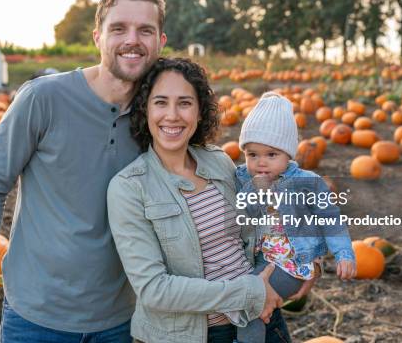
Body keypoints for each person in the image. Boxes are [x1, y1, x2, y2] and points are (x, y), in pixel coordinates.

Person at [0, 0, 167, 343]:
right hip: (36, 317)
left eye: (145, 30)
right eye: (119, 29)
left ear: (160, 40)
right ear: (98, 37)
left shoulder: (160, 117)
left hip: (120, 319)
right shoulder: (44, 98)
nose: (133, 40)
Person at [107, 58, 316, 343]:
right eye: (160, 102)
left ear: (200, 112)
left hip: (261, 318)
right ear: (145, 110)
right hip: (194, 334)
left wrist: (303, 261)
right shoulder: (129, 188)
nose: (172, 115)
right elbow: (155, 290)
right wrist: (251, 291)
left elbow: (265, 224)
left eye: (184, 103)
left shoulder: (219, 161)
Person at [233, 91, 357, 343]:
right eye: (252, 154)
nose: (261, 163)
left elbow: (331, 220)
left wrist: (344, 254)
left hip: (291, 264)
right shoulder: (244, 179)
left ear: (289, 154)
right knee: (243, 298)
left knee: (251, 303)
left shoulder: (307, 183)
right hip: (261, 260)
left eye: (271, 154)